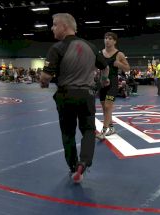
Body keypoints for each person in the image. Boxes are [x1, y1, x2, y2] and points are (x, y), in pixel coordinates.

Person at [39, 13, 108, 183]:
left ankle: (73, 167)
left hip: (66, 95)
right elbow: (105, 68)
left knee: (68, 133)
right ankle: (84, 163)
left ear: (64, 26)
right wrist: (102, 82)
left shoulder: (57, 48)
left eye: (54, 24)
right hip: (87, 95)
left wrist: (44, 83)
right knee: (88, 131)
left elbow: (45, 77)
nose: (52, 28)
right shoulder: (91, 47)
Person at [96, 32, 130, 139]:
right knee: (105, 108)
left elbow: (127, 68)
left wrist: (119, 64)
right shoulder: (100, 53)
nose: (107, 40)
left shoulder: (119, 54)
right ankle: (111, 128)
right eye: (106, 38)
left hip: (113, 83)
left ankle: (103, 131)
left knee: (108, 106)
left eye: (110, 38)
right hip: (102, 83)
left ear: (115, 41)